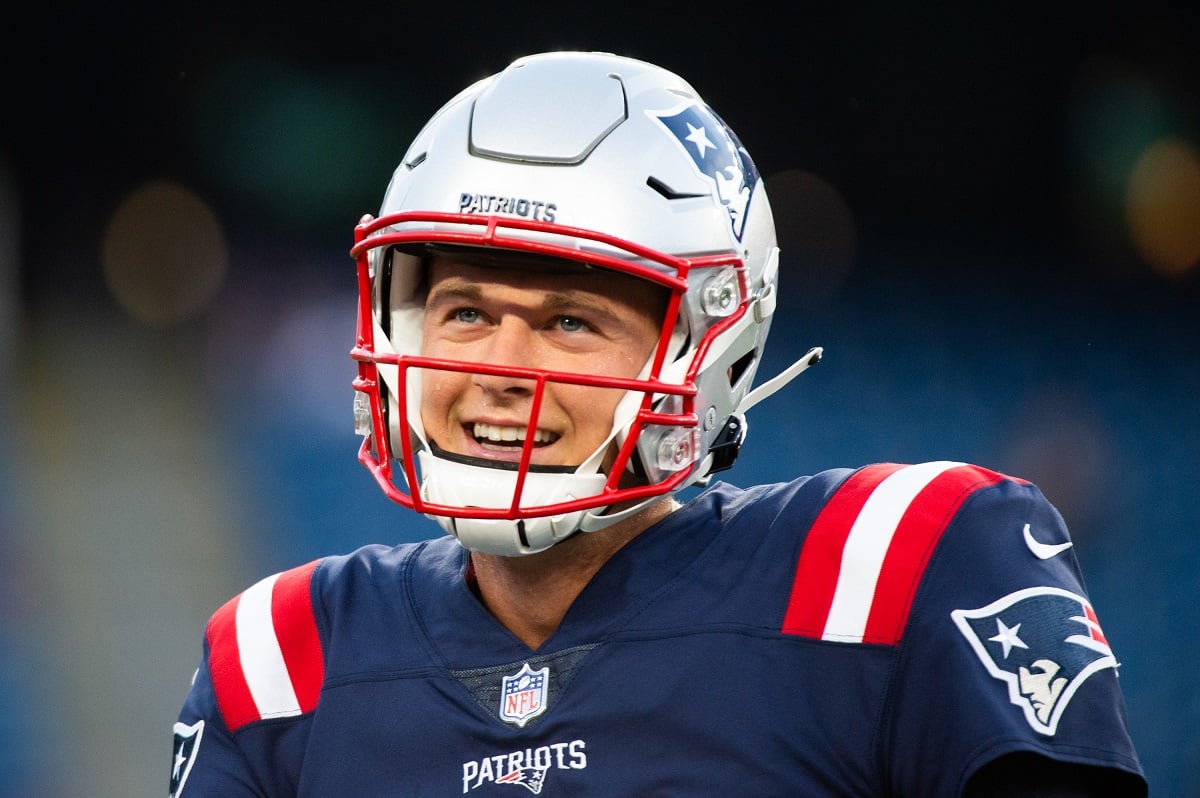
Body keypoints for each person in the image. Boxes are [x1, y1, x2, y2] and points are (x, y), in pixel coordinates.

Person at [170, 51, 1147, 796]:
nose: (500, 370)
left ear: (704, 349)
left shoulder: (894, 569)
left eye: (569, 322)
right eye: (464, 310)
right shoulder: (277, 661)